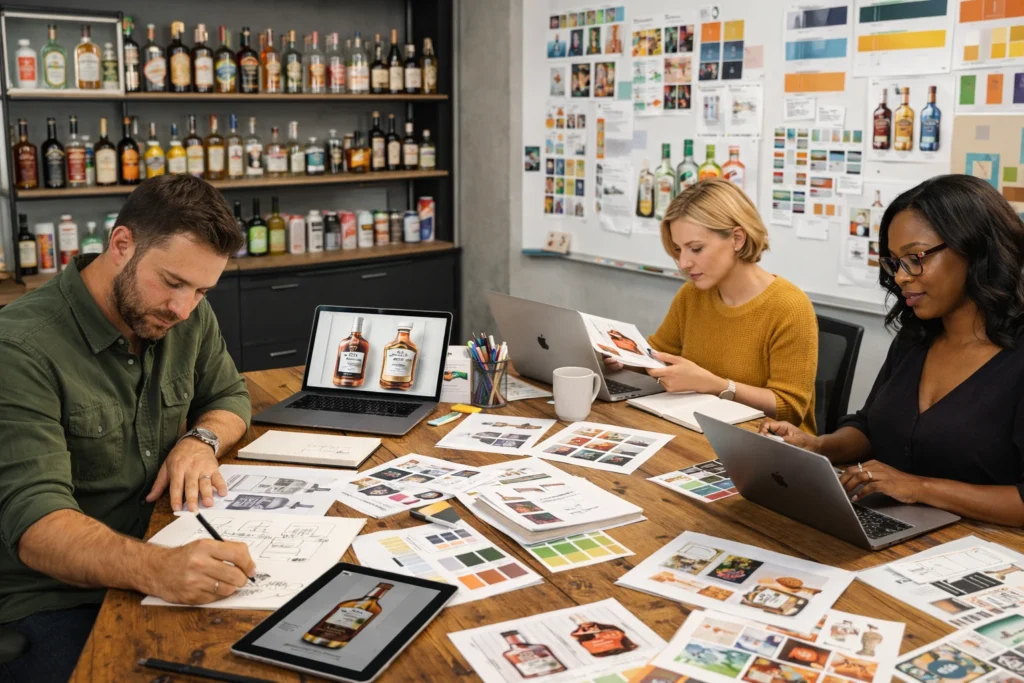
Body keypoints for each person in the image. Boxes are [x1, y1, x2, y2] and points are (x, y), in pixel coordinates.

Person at [0, 175, 256, 682]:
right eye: (173, 282)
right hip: (56, 597)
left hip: (164, 552)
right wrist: (157, 568)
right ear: (121, 245)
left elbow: (230, 397)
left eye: (202, 290)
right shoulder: (20, 350)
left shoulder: (185, 314)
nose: (184, 308)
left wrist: (200, 441)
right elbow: (37, 525)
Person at [761, 174, 1024, 526]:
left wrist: (919, 488)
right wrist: (819, 446)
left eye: (915, 257)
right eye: (894, 262)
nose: (900, 277)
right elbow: (870, 427)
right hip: (896, 531)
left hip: (988, 547)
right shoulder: (916, 337)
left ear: (976, 249)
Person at [607, 178, 819, 432]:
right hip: (700, 430)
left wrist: (716, 385)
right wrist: (622, 358)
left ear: (737, 238)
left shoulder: (790, 307)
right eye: (678, 249)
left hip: (766, 444)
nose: (683, 263)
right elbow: (658, 355)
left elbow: (790, 408)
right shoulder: (692, 295)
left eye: (696, 249)